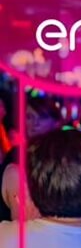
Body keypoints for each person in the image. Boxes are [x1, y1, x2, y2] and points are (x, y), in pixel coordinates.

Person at [1, 95, 65, 223]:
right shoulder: (15, 154)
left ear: (56, 122)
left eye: (42, 117)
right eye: (29, 117)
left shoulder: (65, 156)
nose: (35, 123)